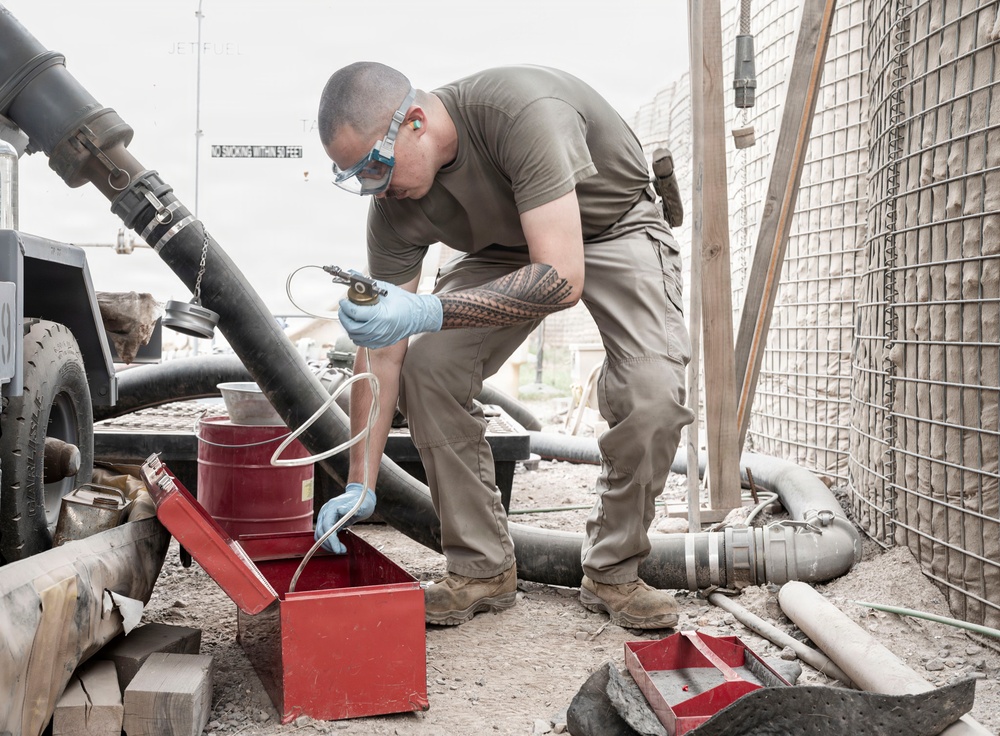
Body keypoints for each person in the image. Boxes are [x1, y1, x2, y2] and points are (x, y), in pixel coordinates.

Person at [314, 62, 694, 628]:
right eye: (356, 178)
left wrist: (429, 309)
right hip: (504, 249)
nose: (374, 187)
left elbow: (560, 277)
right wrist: (359, 481)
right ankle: (481, 567)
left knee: (652, 391)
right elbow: (382, 352)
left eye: (374, 166)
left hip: (612, 226)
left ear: (414, 121)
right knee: (427, 370)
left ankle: (614, 570)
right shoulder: (394, 205)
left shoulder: (520, 114)